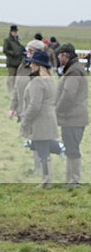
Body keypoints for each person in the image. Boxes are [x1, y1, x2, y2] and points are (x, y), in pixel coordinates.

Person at [20, 50, 59, 188]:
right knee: (44, 151)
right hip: (49, 118)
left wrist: (25, 120)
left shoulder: (37, 82)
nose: (30, 66)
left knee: (43, 152)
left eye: (32, 63)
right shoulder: (50, 80)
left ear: (37, 65)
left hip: (40, 121)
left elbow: (34, 105)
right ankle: (47, 179)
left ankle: (46, 180)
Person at [8, 40, 47, 174]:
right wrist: (13, 107)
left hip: (37, 110)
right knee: (32, 139)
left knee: (39, 139)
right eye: (28, 50)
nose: (28, 53)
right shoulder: (23, 66)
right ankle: (37, 168)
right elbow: (17, 87)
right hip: (24, 109)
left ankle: (43, 169)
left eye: (31, 51)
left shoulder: (42, 70)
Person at [55, 43, 88, 187]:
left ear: (65, 55)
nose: (58, 58)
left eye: (59, 56)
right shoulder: (74, 69)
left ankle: (74, 180)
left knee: (72, 149)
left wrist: (58, 110)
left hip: (73, 117)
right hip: (74, 116)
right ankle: (70, 180)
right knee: (70, 148)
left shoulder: (73, 71)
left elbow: (68, 95)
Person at [3, 24, 24, 95]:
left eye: (16, 31)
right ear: (11, 32)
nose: (15, 33)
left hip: (18, 61)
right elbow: (5, 50)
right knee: (11, 77)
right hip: (11, 62)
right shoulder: (7, 40)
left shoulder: (17, 40)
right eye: (14, 31)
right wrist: (14, 53)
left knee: (16, 77)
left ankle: (15, 91)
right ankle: (10, 90)